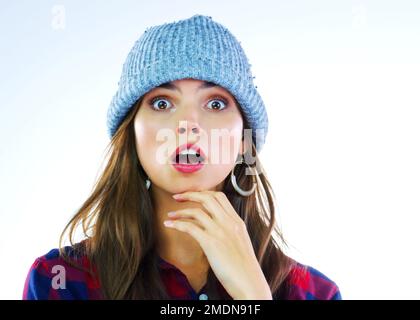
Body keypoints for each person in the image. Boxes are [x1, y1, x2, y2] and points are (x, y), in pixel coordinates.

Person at [22, 14, 341, 300]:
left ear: (244, 141)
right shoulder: (59, 282)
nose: (189, 125)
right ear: (131, 134)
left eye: (215, 104)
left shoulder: (314, 293)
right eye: (162, 103)